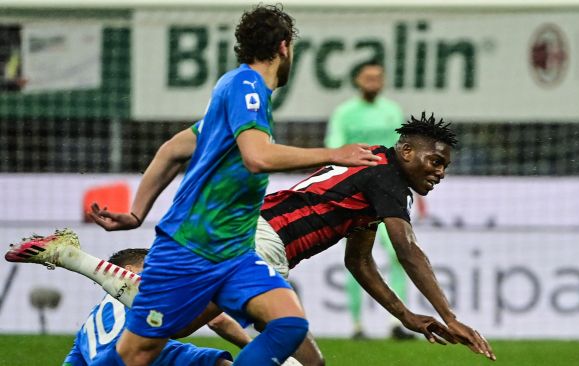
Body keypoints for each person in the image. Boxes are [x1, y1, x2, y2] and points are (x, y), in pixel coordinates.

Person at [7, 113, 496, 363]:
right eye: (435, 161)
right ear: (406, 150)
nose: (439, 173)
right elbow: (407, 249)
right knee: (294, 346)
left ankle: (76, 258)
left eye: (445, 167)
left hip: (242, 230)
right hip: (263, 243)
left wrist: (409, 316)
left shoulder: (373, 180)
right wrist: (452, 317)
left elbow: (361, 264)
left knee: (169, 327)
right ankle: (77, 258)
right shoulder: (386, 174)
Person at [59, 5, 378, 366]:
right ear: (285, 48)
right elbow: (257, 157)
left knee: (289, 324)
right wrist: (336, 153)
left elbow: (172, 150)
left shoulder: (233, 93)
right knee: (135, 356)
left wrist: (137, 213)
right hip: (187, 250)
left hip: (232, 252)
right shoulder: (246, 87)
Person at [325, 61, 415, 339]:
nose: (373, 81)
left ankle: (396, 323)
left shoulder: (393, 111)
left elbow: (403, 151)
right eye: (368, 77)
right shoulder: (344, 113)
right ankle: (357, 324)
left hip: (388, 191)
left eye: (378, 77)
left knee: (400, 251)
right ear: (357, 80)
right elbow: (335, 148)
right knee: (358, 255)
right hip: (355, 191)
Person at [62, 248, 233, 366]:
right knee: (212, 362)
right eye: (148, 265)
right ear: (128, 270)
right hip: (136, 349)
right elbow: (217, 320)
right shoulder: (142, 283)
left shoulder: (89, 324)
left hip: (106, 361)